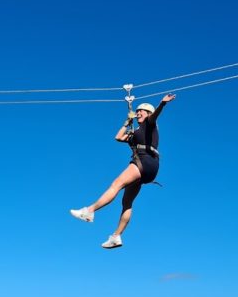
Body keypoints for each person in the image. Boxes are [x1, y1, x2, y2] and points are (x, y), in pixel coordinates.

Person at [70, 93, 176, 249]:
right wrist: (127, 122)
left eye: (141, 111)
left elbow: (155, 116)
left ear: (148, 114)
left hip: (144, 160)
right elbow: (118, 137)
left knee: (116, 185)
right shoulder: (136, 132)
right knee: (126, 203)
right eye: (137, 111)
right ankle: (116, 236)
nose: (138, 113)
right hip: (150, 167)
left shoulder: (149, 124)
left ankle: (89, 211)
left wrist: (162, 103)